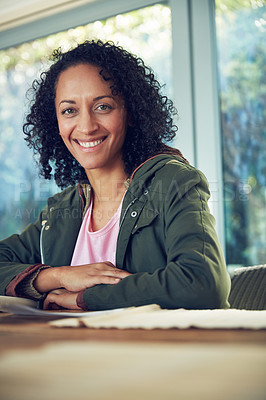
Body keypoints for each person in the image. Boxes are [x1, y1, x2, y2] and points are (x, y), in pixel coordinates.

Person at [0, 40, 231, 311]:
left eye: (103, 106)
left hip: (159, 352)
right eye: (69, 110)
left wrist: (84, 298)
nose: (86, 126)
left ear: (130, 113)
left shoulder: (173, 182)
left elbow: (202, 283)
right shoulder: (61, 210)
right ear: (57, 123)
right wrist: (59, 276)